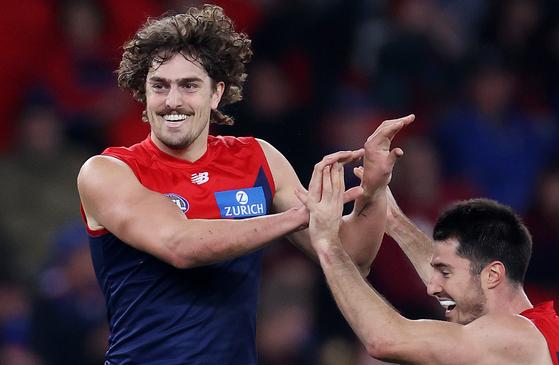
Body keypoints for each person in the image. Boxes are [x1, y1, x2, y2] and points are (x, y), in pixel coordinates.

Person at [77, 4, 412, 364]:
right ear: (143, 93)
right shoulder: (108, 171)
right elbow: (179, 245)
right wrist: (302, 216)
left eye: (189, 86)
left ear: (216, 93)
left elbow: (352, 258)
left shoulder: (258, 159)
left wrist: (375, 191)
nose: (172, 101)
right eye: (159, 86)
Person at [303, 165, 559, 365]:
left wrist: (327, 243)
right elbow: (463, 278)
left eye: (446, 273)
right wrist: (393, 220)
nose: (432, 287)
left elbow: (386, 340)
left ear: (493, 275)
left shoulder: (514, 337)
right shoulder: (542, 329)